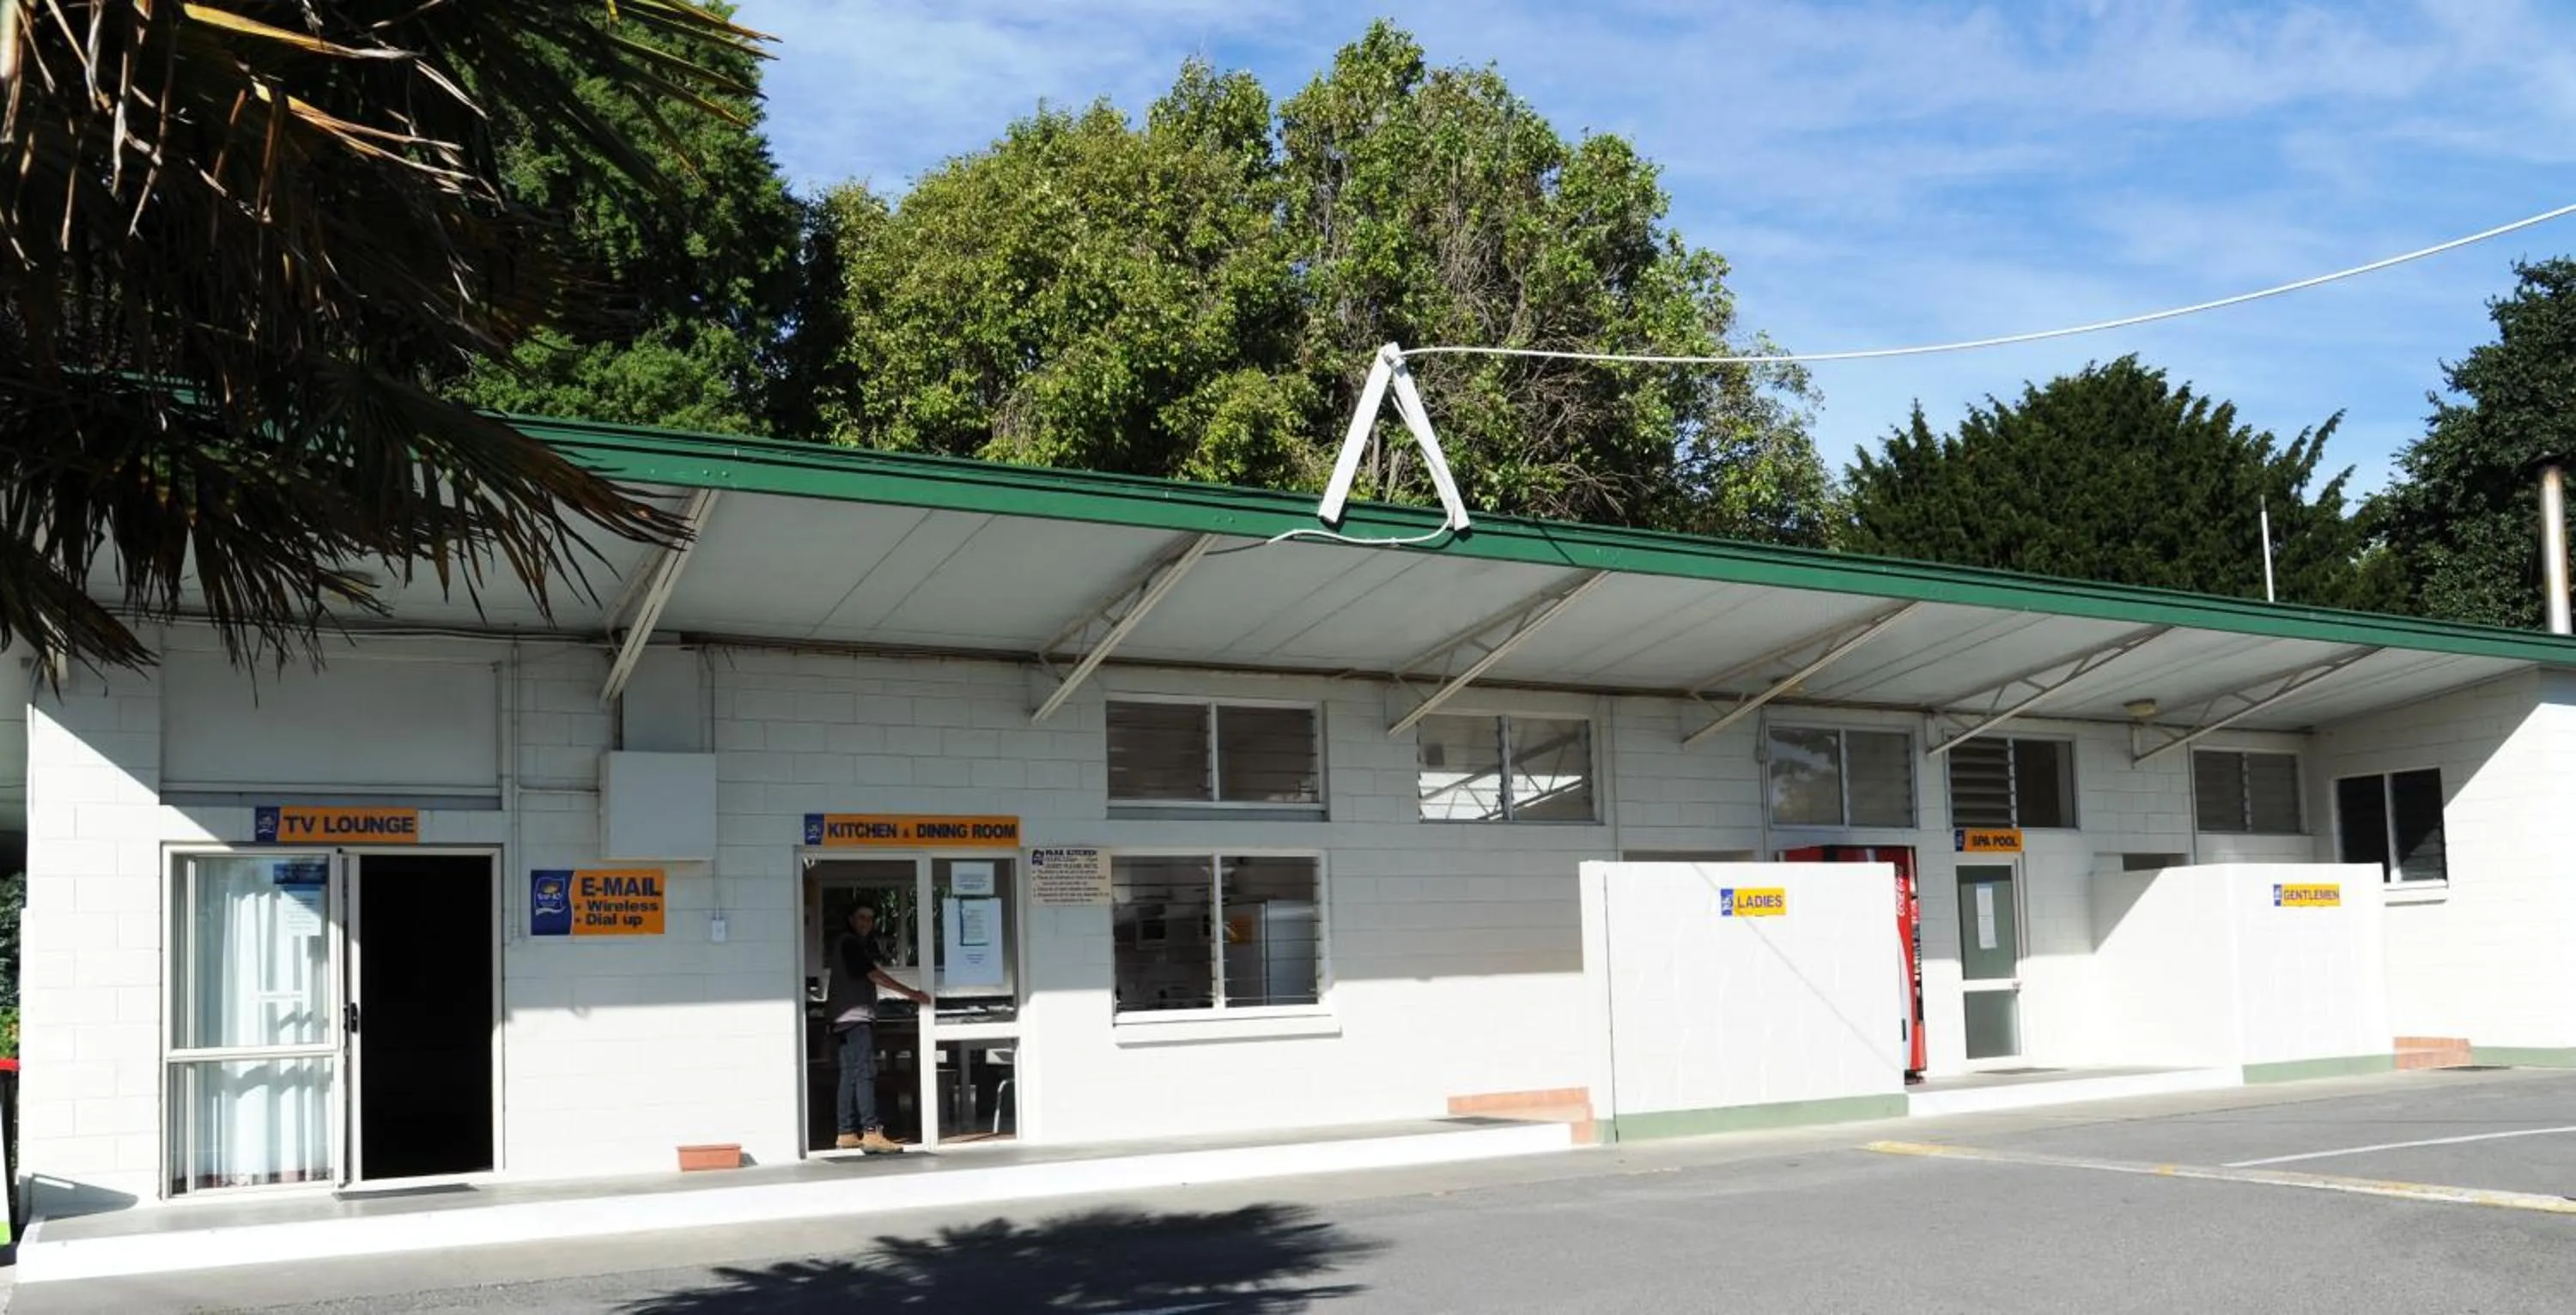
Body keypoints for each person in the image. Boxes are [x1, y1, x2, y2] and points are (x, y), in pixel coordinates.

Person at [827, 902, 931, 1154]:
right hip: (855, 1017)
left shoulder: (846, 944)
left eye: (870, 919)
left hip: (840, 1019)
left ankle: (846, 1132)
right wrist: (912, 994)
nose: (866, 923)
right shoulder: (850, 943)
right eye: (862, 918)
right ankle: (871, 1132)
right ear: (851, 919)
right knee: (865, 1072)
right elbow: (875, 975)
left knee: (849, 1073)